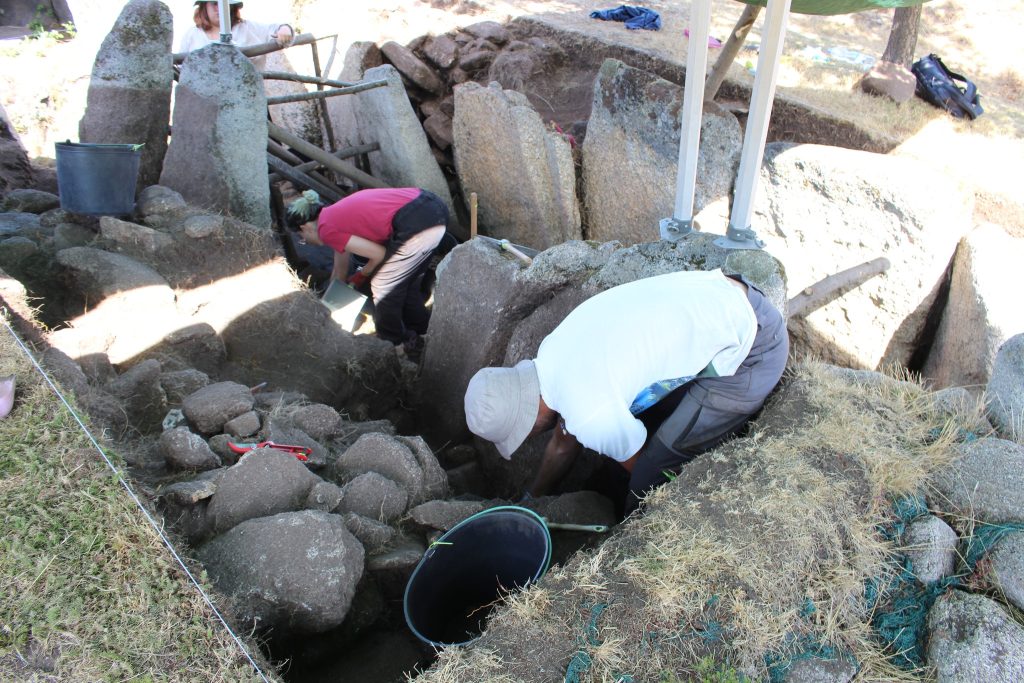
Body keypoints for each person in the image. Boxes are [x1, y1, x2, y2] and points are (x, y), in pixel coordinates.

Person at [463, 269, 789, 517]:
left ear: (528, 419)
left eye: (524, 431)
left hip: (752, 352)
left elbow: (640, 466)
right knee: (643, 427)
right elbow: (564, 439)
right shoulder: (552, 353)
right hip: (731, 294)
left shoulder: (590, 414)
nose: (530, 435)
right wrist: (531, 501)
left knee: (647, 481)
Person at [287, 188, 449, 353]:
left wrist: (361, 275)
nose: (305, 242)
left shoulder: (326, 229)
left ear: (304, 227)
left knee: (384, 285)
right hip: (431, 206)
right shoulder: (332, 216)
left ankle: (392, 344)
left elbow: (379, 254)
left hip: (415, 221)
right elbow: (339, 272)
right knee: (407, 284)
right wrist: (328, 309)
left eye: (302, 239)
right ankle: (424, 332)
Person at [178, 1, 294, 53]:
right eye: (214, 3)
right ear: (205, 6)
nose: (219, 9)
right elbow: (180, 69)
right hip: (203, 101)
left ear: (232, 6)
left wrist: (284, 30)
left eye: (223, 4)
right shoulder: (192, 35)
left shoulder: (248, 29)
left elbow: (277, 29)